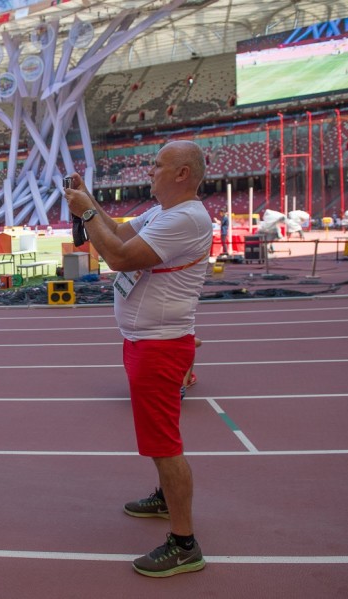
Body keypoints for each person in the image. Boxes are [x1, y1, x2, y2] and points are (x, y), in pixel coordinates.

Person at [64, 140, 212, 578]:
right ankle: (166, 499)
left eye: (158, 164)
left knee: (165, 444)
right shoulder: (164, 213)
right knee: (158, 439)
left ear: (182, 173)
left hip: (160, 346)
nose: (150, 170)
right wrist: (89, 202)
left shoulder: (186, 217)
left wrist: (86, 213)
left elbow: (118, 255)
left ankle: (184, 544)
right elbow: (121, 231)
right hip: (145, 341)